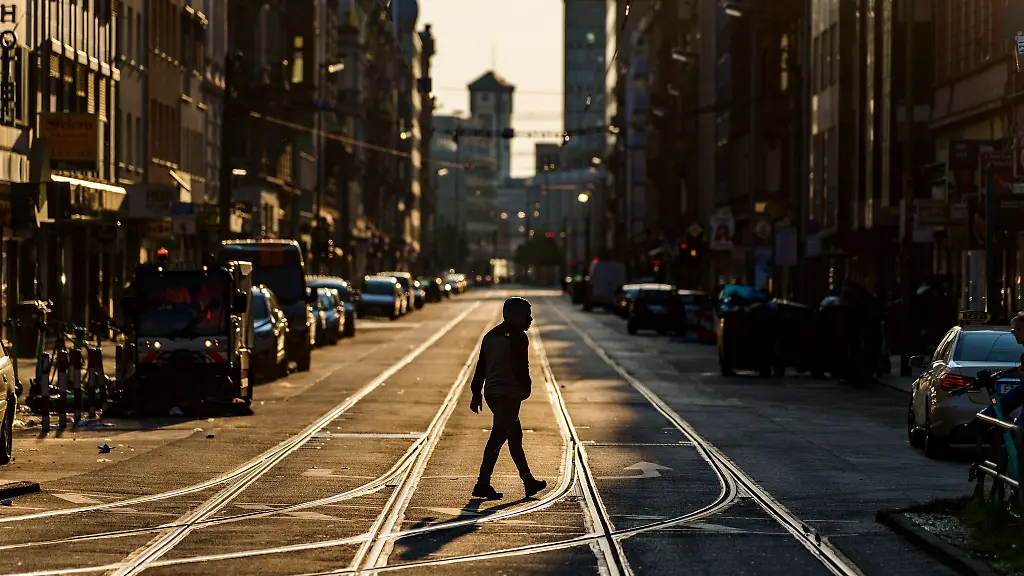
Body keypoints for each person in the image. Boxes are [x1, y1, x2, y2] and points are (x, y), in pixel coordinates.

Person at [469, 297, 547, 500]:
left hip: (492, 393)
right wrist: (525, 388)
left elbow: (481, 367)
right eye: (526, 315)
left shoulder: (490, 336)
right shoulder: (519, 337)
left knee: (515, 436)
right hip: (508, 393)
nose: (530, 319)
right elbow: (521, 366)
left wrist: (476, 394)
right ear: (516, 316)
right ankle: (482, 483)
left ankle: (528, 481)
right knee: (498, 436)